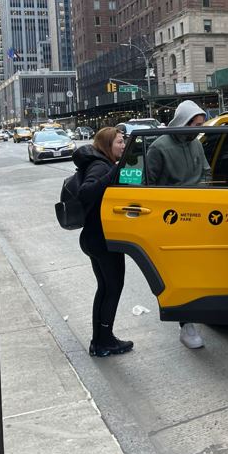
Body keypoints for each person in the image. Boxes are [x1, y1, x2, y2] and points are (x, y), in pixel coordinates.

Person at [146, 100, 209, 349]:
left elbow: (206, 171)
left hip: (200, 215)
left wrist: (204, 191)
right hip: (172, 219)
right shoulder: (159, 147)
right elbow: (150, 186)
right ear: (184, 121)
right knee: (180, 274)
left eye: (201, 125)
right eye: (195, 125)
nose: (198, 130)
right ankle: (187, 324)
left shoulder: (196, 144)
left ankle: (199, 315)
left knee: (199, 269)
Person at [73, 127, 134, 357]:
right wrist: (114, 172)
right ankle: (103, 341)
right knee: (112, 288)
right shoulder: (101, 165)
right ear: (108, 144)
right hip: (102, 239)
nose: (123, 145)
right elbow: (86, 192)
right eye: (120, 142)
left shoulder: (103, 163)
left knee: (106, 288)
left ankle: (101, 340)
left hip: (96, 237)